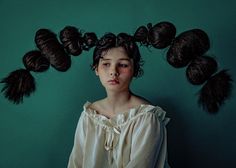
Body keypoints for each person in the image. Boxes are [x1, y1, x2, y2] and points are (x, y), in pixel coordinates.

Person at [66, 32, 171, 167]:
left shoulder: (147, 117)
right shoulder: (89, 116)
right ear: (96, 69)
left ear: (135, 70)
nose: (113, 71)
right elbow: (76, 163)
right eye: (106, 64)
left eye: (123, 65)